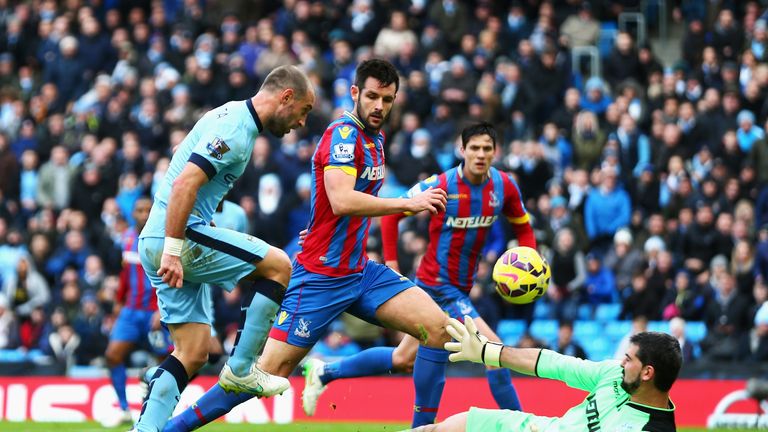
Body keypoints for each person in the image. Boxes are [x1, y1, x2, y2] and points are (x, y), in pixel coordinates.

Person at [166, 58, 450, 432]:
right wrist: (406, 203)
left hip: (360, 271)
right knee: (260, 375)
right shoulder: (344, 136)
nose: (379, 106)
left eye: (388, 99)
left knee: (440, 331)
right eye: (372, 97)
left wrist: (320, 228)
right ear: (355, 94)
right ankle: (172, 429)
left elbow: (331, 208)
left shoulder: (376, 139)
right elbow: (342, 200)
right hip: (318, 279)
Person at [301, 122, 537, 427]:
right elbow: (392, 218)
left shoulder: (504, 187)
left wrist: (530, 259)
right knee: (496, 356)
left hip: (460, 287)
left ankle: (325, 372)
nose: (480, 154)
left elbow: (523, 227)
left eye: (487, 148)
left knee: (403, 359)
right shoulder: (441, 184)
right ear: (461, 150)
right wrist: (392, 264)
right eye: (474, 148)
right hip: (436, 286)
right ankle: (524, 424)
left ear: (496, 152)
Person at [133, 65, 315, 432]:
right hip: (177, 237)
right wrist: (173, 249)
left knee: (193, 351)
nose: (301, 123)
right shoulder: (236, 129)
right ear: (286, 97)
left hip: (162, 237)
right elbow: (185, 184)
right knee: (279, 265)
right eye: (304, 111)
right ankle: (243, 370)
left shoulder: (230, 115)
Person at [412, 316, 680, 431]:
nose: (621, 362)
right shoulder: (614, 375)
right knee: (439, 430)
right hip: (535, 427)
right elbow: (554, 363)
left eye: (628, 359)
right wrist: (488, 353)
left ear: (647, 373)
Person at [104, 197, 161, 426]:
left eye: (148, 209)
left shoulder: (162, 238)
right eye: (140, 210)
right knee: (112, 355)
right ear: (133, 214)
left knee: (167, 361)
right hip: (131, 309)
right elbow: (125, 274)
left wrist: (160, 309)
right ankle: (125, 409)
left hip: (155, 312)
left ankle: (158, 410)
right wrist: (119, 301)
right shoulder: (126, 239)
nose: (144, 214)